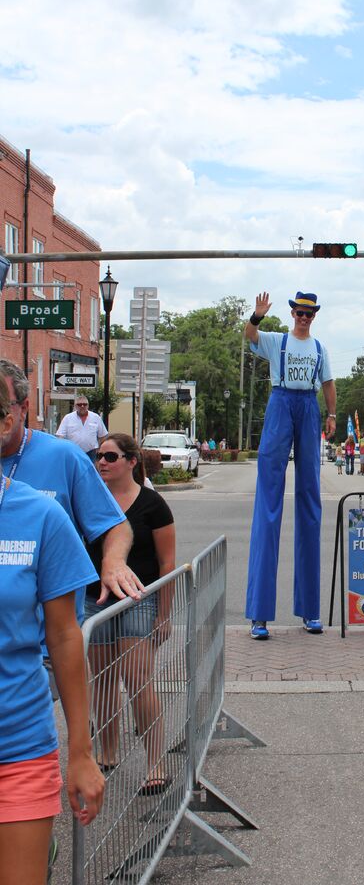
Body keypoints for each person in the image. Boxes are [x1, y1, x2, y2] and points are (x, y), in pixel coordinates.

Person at [0, 377, 104, 885]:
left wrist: (80, 753)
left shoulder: (40, 516)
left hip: (15, 747)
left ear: (8, 420)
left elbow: (65, 639)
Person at [0, 360, 142, 613]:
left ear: (23, 409)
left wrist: (113, 562)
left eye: (2, 407)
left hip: (49, 638)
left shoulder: (64, 457)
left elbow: (115, 525)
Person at [85, 434, 176, 791]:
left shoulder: (153, 505)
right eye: (98, 456)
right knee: (104, 681)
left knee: (138, 680)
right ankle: (106, 753)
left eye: (110, 456)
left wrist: (164, 615)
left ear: (131, 462)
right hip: (97, 600)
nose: (102, 463)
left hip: (140, 600)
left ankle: (156, 763)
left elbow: (167, 562)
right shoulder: (91, 502)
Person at [244, 291, 336, 640]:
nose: (304, 317)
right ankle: (259, 615)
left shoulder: (319, 349)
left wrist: (332, 415)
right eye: (300, 312)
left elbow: (328, 383)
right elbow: (249, 336)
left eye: (309, 314)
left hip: (308, 407)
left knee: (310, 502)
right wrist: (256, 316)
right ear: (292, 312)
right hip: (281, 404)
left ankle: (311, 611)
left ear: (314, 316)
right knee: (268, 504)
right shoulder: (275, 341)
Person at [55, 396, 108, 462]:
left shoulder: (96, 417)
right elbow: (60, 436)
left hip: (91, 453)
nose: (82, 406)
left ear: (88, 406)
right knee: (74, 471)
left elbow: (103, 435)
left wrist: (100, 449)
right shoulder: (68, 418)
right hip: (73, 452)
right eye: (79, 404)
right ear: (75, 406)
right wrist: (64, 449)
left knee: (90, 471)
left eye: (85, 404)